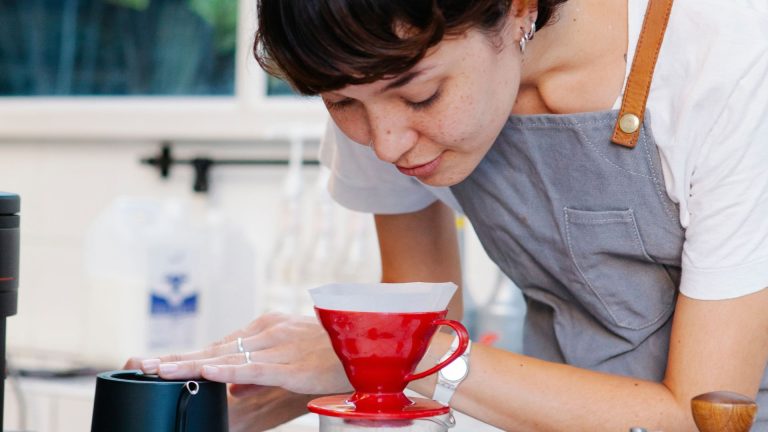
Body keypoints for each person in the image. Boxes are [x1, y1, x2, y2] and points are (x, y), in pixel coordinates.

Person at [127, 0, 768, 430]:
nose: (385, 143)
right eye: (340, 103)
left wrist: (388, 350)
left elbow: (699, 415)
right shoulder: (381, 84)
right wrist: (279, 385)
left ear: (519, 8)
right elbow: (425, 330)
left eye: (423, 95)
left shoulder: (730, 67)